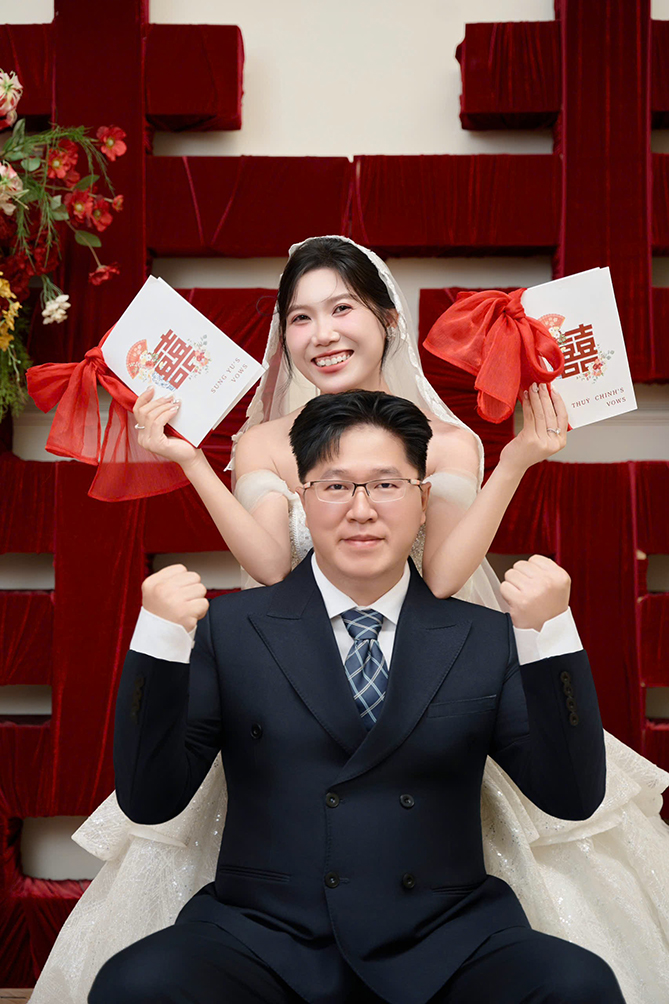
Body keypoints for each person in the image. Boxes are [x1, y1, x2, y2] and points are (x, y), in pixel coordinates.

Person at [28, 238, 669, 1004]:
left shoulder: (447, 445)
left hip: (433, 674)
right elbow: (272, 566)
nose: (321, 333)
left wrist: (517, 460)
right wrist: (190, 461)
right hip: (283, 668)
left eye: (342, 308)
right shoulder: (265, 447)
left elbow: (442, 576)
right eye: (300, 317)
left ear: (387, 319)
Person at [89, 388, 623, 1003]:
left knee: (578, 985)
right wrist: (157, 642)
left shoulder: (485, 636)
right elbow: (149, 801)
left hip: (447, 938)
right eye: (336, 486)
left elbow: (571, 797)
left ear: (423, 500)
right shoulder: (230, 629)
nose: (361, 510)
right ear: (303, 499)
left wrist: (551, 637)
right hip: (265, 934)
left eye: (387, 485)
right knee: (135, 985)